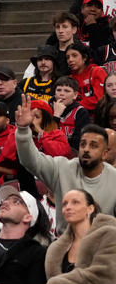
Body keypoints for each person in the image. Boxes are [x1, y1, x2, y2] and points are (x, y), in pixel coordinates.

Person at [14, 95, 116, 230]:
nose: (86, 149)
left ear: (105, 154)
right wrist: (22, 130)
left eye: (93, 146)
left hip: (101, 244)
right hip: (65, 242)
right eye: (83, 144)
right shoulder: (62, 167)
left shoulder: (114, 178)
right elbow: (30, 160)